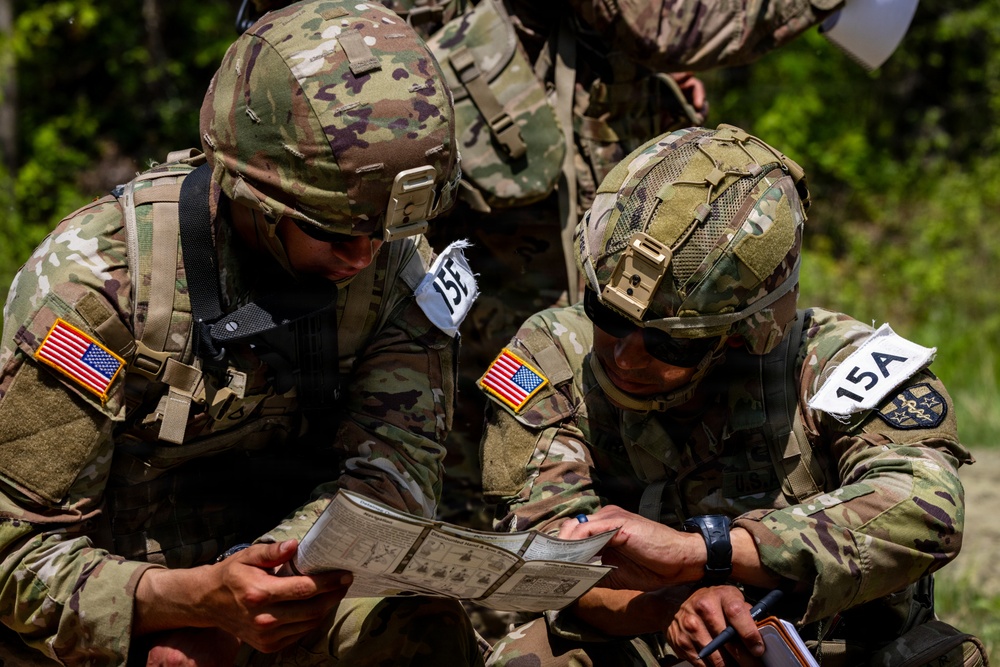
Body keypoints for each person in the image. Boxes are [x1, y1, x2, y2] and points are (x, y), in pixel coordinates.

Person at [0, 1, 485, 665]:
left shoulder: (398, 272)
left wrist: (262, 585)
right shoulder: (99, 287)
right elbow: (15, 554)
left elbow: (393, 479)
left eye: (385, 231)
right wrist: (184, 602)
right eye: (335, 231)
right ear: (251, 191)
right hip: (111, 609)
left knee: (421, 627)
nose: (363, 258)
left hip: (278, 596)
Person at [477, 124, 976, 666]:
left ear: (742, 332)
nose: (624, 356)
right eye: (607, 318)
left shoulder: (832, 363)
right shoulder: (548, 358)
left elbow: (928, 508)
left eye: (670, 343)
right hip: (647, 639)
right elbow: (545, 559)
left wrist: (706, 552)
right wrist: (676, 607)